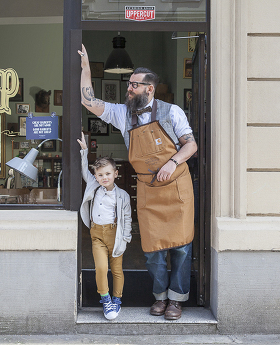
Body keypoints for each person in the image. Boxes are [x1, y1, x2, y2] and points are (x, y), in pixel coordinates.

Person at [78, 44, 197, 320]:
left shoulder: (172, 112)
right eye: (129, 84)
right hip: (148, 188)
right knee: (153, 250)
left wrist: (172, 162)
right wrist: (86, 69)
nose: (128, 89)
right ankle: (160, 297)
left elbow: (190, 145)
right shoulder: (122, 114)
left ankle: (177, 300)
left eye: (134, 85)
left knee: (181, 247)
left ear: (149, 89)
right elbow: (89, 102)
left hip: (177, 186)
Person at [77, 132, 132, 320]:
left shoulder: (123, 195)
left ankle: (117, 299)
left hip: (115, 234)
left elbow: (127, 217)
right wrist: (85, 151)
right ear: (96, 176)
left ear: (116, 174)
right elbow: (85, 171)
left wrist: (126, 238)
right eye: (100, 175)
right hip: (97, 234)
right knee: (100, 268)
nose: (104, 177)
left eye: (108, 174)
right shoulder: (93, 186)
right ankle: (105, 298)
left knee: (116, 269)